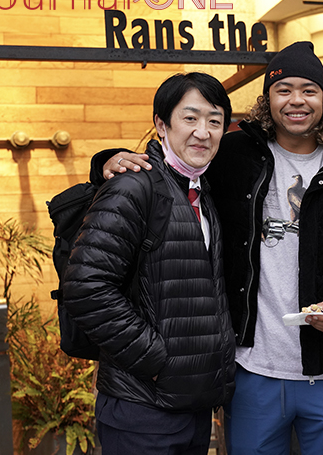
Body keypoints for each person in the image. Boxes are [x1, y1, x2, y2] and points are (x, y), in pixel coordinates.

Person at [94, 41, 323, 454]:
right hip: (251, 372)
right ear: (267, 99)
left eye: (308, 90)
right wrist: (107, 160)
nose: (296, 100)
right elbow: (167, 174)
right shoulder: (229, 157)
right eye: (284, 90)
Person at [62, 72, 236, 454]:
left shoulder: (199, 191)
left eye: (214, 120)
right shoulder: (135, 185)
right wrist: (154, 358)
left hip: (189, 405)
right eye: (190, 118)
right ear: (161, 124)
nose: (203, 132)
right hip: (141, 407)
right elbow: (86, 285)